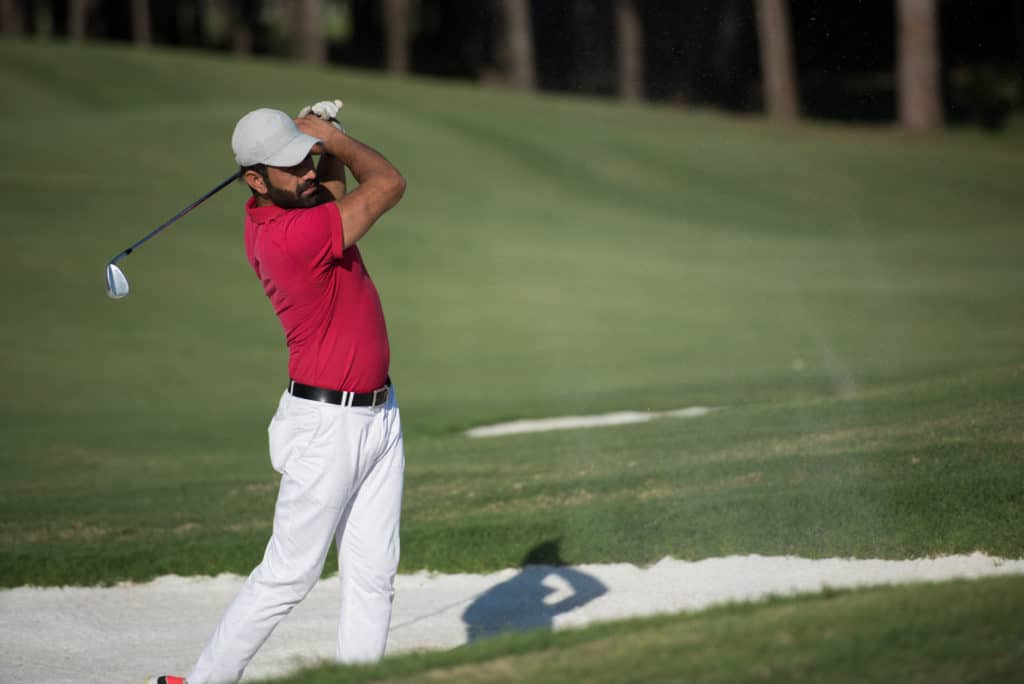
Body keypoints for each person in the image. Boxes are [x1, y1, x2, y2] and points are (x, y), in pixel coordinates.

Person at [147, 101, 407, 684]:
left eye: (305, 159)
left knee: (372, 575)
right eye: (293, 165)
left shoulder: (293, 208)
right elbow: (388, 183)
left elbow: (329, 189)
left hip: (377, 417)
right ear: (255, 179)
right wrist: (334, 141)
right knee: (290, 573)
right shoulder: (292, 236)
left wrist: (319, 138)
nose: (308, 170)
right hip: (325, 429)